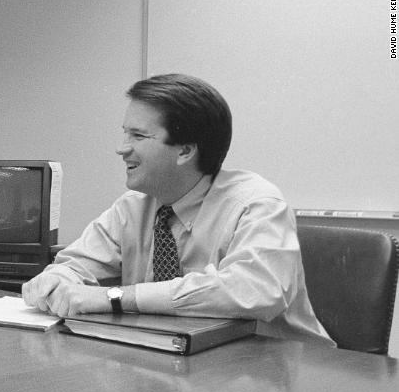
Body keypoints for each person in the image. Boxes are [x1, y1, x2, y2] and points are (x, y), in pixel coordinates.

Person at [22, 73, 333, 345]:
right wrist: (56, 280)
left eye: (138, 135)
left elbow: (255, 291)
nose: (121, 147)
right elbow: (76, 264)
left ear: (185, 150)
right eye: (125, 132)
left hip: (283, 372)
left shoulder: (257, 203)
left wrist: (116, 297)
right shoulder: (134, 207)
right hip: (183, 362)